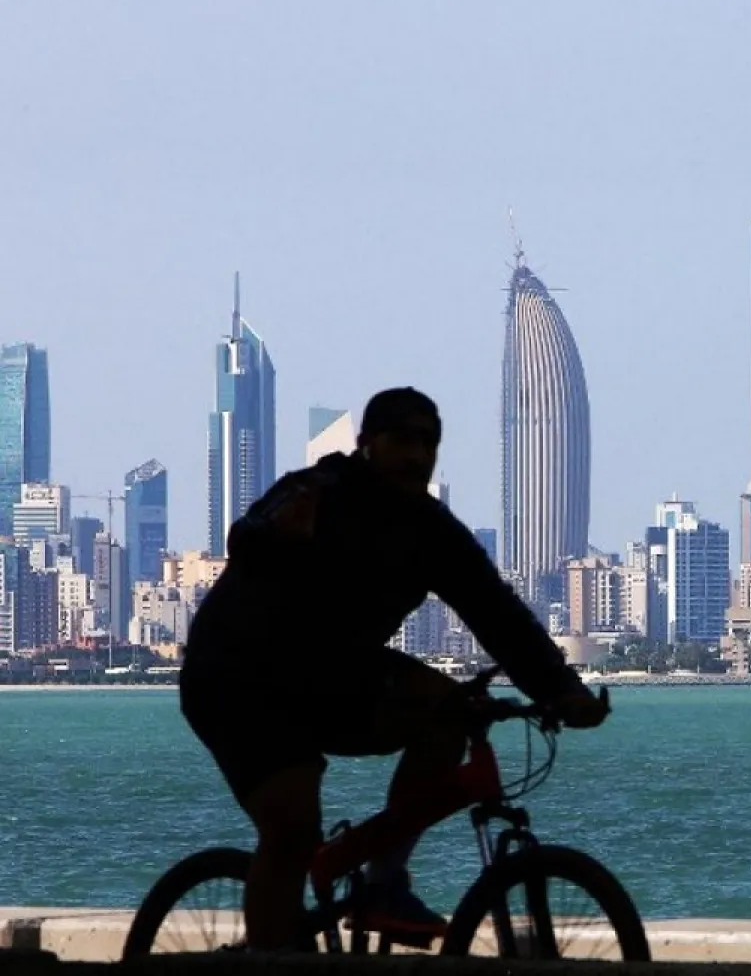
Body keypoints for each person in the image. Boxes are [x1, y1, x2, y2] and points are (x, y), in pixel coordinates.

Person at [179, 387, 607, 952]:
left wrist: (561, 690)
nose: (416, 454)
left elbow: (496, 611)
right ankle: (269, 960)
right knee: (291, 827)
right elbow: (248, 537)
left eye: (428, 442)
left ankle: (384, 880)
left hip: (328, 674)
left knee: (449, 713)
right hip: (238, 677)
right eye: (401, 438)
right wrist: (283, 537)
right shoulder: (319, 491)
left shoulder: (431, 531)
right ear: (366, 445)